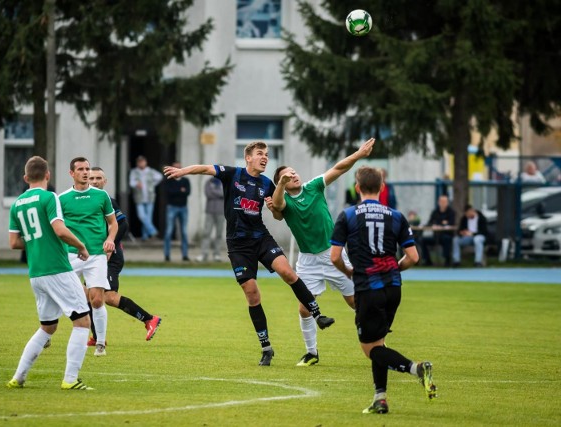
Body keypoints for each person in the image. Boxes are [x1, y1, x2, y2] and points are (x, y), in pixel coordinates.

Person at [163, 141, 335, 366]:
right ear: (248, 158)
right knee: (252, 293)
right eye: (260, 154)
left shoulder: (267, 184)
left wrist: (274, 209)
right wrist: (182, 171)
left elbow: (279, 215)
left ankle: (318, 315)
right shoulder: (232, 174)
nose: (264, 157)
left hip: (261, 238)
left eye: (267, 154)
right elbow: (205, 168)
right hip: (238, 245)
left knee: (288, 272)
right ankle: (266, 348)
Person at [329, 165, 437, 414]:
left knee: (371, 349)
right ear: (382, 187)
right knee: (379, 343)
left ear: (357, 188)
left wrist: (349, 272)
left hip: (369, 287)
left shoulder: (348, 215)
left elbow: (335, 257)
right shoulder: (396, 216)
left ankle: (416, 368)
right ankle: (380, 399)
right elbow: (413, 257)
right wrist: (395, 269)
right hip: (393, 287)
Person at [268, 138, 375, 367]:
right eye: (287, 176)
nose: (294, 176)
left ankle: (378, 344)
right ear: (281, 184)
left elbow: (338, 168)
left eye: (294, 172)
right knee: (304, 308)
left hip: (332, 253)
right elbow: (277, 207)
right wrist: (280, 184)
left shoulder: (314, 186)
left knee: (354, 302)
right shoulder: (283, 200)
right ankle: (311, 353)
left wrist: (358, 154)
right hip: (307, 260)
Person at [7, 156, 93, 390]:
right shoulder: (49, 197)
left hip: (36, 273)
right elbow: (60, 229)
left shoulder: (17, 204)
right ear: (48, 175)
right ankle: (70, 379)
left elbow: (14, 242)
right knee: (82, 321)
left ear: (26, 178)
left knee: (48, 326)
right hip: (57, 269)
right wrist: (80, 246)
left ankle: (18, 377)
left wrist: (37, 242)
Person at [88, 167, 162, 343]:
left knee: (109, 297)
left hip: (110, 256)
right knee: (90, 295)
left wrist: (110, 246)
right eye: (92, 178)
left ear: (105, 182)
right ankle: (97, 337)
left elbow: (123, 225)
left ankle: (149, 319)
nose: (95, 181)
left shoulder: (108, 201)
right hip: (95, 256)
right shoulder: (87, 201)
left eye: (99, 178)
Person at [59, 157, 117, 357]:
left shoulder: (101, 196)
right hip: (71, 254)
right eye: (81, 169)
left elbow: (113, 223)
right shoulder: (62, 199)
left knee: (98, 300)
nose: (85, 172)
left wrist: (110, 239)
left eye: (87, 168)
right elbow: (57, 228)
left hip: (96, 255)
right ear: (71, 173)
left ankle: (100, 343)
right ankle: (47, 331)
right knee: (60, 293)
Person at [129, 155, 164, 240]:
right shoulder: (134, 172)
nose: (141, 163)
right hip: (139, 198)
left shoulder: (150, 171)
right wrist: (136, 184)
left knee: (148, 218)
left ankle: (145, 236)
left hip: (150, 197)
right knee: (141, 216)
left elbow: (160, 177)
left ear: (145, 162)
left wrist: (152, 185)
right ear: (137, 163)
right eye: (139, 162)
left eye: (142, 161)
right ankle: (153, 231)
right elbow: (131, 183)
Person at [163, 161, 191, 262]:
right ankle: (167, 255)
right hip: (172, 207)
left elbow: (187, 192)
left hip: (183, 208)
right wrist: (180, 190)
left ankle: (185, 255)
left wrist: (177, 191)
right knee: (169, 232)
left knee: (184, 232)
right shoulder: (169, 180)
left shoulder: (186, 180)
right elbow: (169, 192)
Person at [420, 194, 456, 266]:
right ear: (438, 202)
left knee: (447, 239)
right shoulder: (435, 212)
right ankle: (427, 260)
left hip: (446, 235)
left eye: (444, 201)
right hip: (436, 236)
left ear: (447, 202)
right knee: (422, 240)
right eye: (441, 201)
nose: (442, 203)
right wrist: (433, 225)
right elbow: (430, 222)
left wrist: (440, 225)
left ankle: (447, 260)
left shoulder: (451, 212)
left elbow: (451, 223)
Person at [196, 176, 225, 262]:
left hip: (221, 212)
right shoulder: (209, 182)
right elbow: (208, 194)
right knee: (206, 233)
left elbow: (225, 194)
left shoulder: (225, 182)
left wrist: (215, 192)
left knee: (219, 234)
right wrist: (219, 194)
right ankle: (203, 254)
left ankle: (217, 254)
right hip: (210, 212)